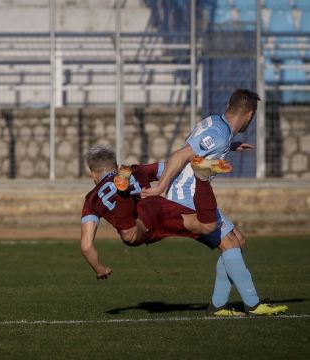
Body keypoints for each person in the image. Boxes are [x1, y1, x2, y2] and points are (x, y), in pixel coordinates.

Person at [141, 89, 288, 316]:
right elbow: (180, 155)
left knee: (238, 241)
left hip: (195, 193)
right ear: (249, 115)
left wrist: (232, 146)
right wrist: (160, 186)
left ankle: (218, 304)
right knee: (229, 242)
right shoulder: (219, 134)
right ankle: (254, 303)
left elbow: (206, 145)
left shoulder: (218, 125)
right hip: (186, 197)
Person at [80, 145, 233, 301]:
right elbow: (172, 168)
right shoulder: (137, 170)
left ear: (93, 174)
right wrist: (220, 152)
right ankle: (203, 180)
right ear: (117, 166)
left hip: (137, 218)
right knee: (207, 225)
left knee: (129, 235)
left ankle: (123, 195)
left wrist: (100, 269)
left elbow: (86, 246)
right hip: (157, 205)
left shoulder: (91, 199)